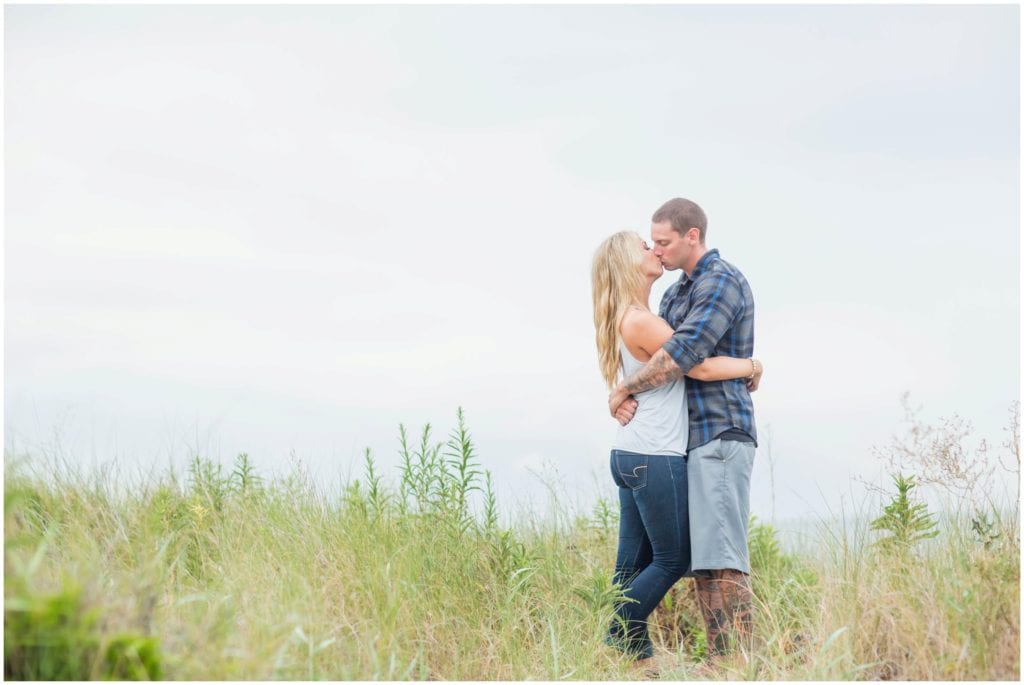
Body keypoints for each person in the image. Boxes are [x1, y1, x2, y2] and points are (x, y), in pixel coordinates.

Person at [591, 230, 763, 667]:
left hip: (629, 453)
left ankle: (636, 657)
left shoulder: (627, 317)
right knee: (674, 557)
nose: (653, 250)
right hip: (655, 454)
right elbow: (698, 364)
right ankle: (617, 633)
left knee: (633, 564)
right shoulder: (642, 320)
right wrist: (752, 365)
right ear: (629, 264)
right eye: (644, 246)